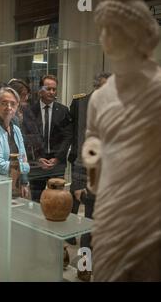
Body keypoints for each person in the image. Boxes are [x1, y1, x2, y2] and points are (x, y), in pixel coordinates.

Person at [84, 0, 161, 281]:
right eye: (102, 30)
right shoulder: (99, 99)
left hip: (151, 211)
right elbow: (93, 139)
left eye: (113, 29)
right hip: (111, 207)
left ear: (135, 33)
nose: (105, 37)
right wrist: (93, 154)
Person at [66, 72, 111, 248]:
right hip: (90, 179)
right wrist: (77, 183)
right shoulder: (84, 105)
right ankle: (85, 267)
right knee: (89, 227)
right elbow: (79, 147)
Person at [25, 75, 72, 202]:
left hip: (57, 163)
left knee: (57, 200)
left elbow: (67, 137)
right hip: (37, 163)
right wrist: (38, 158)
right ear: (40, 90)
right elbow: (27, 138)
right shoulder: (30, 111)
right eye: (48, 89)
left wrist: (57, 158)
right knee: (36, 200)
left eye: (54, 89)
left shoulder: (63, 110)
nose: (52, 92)